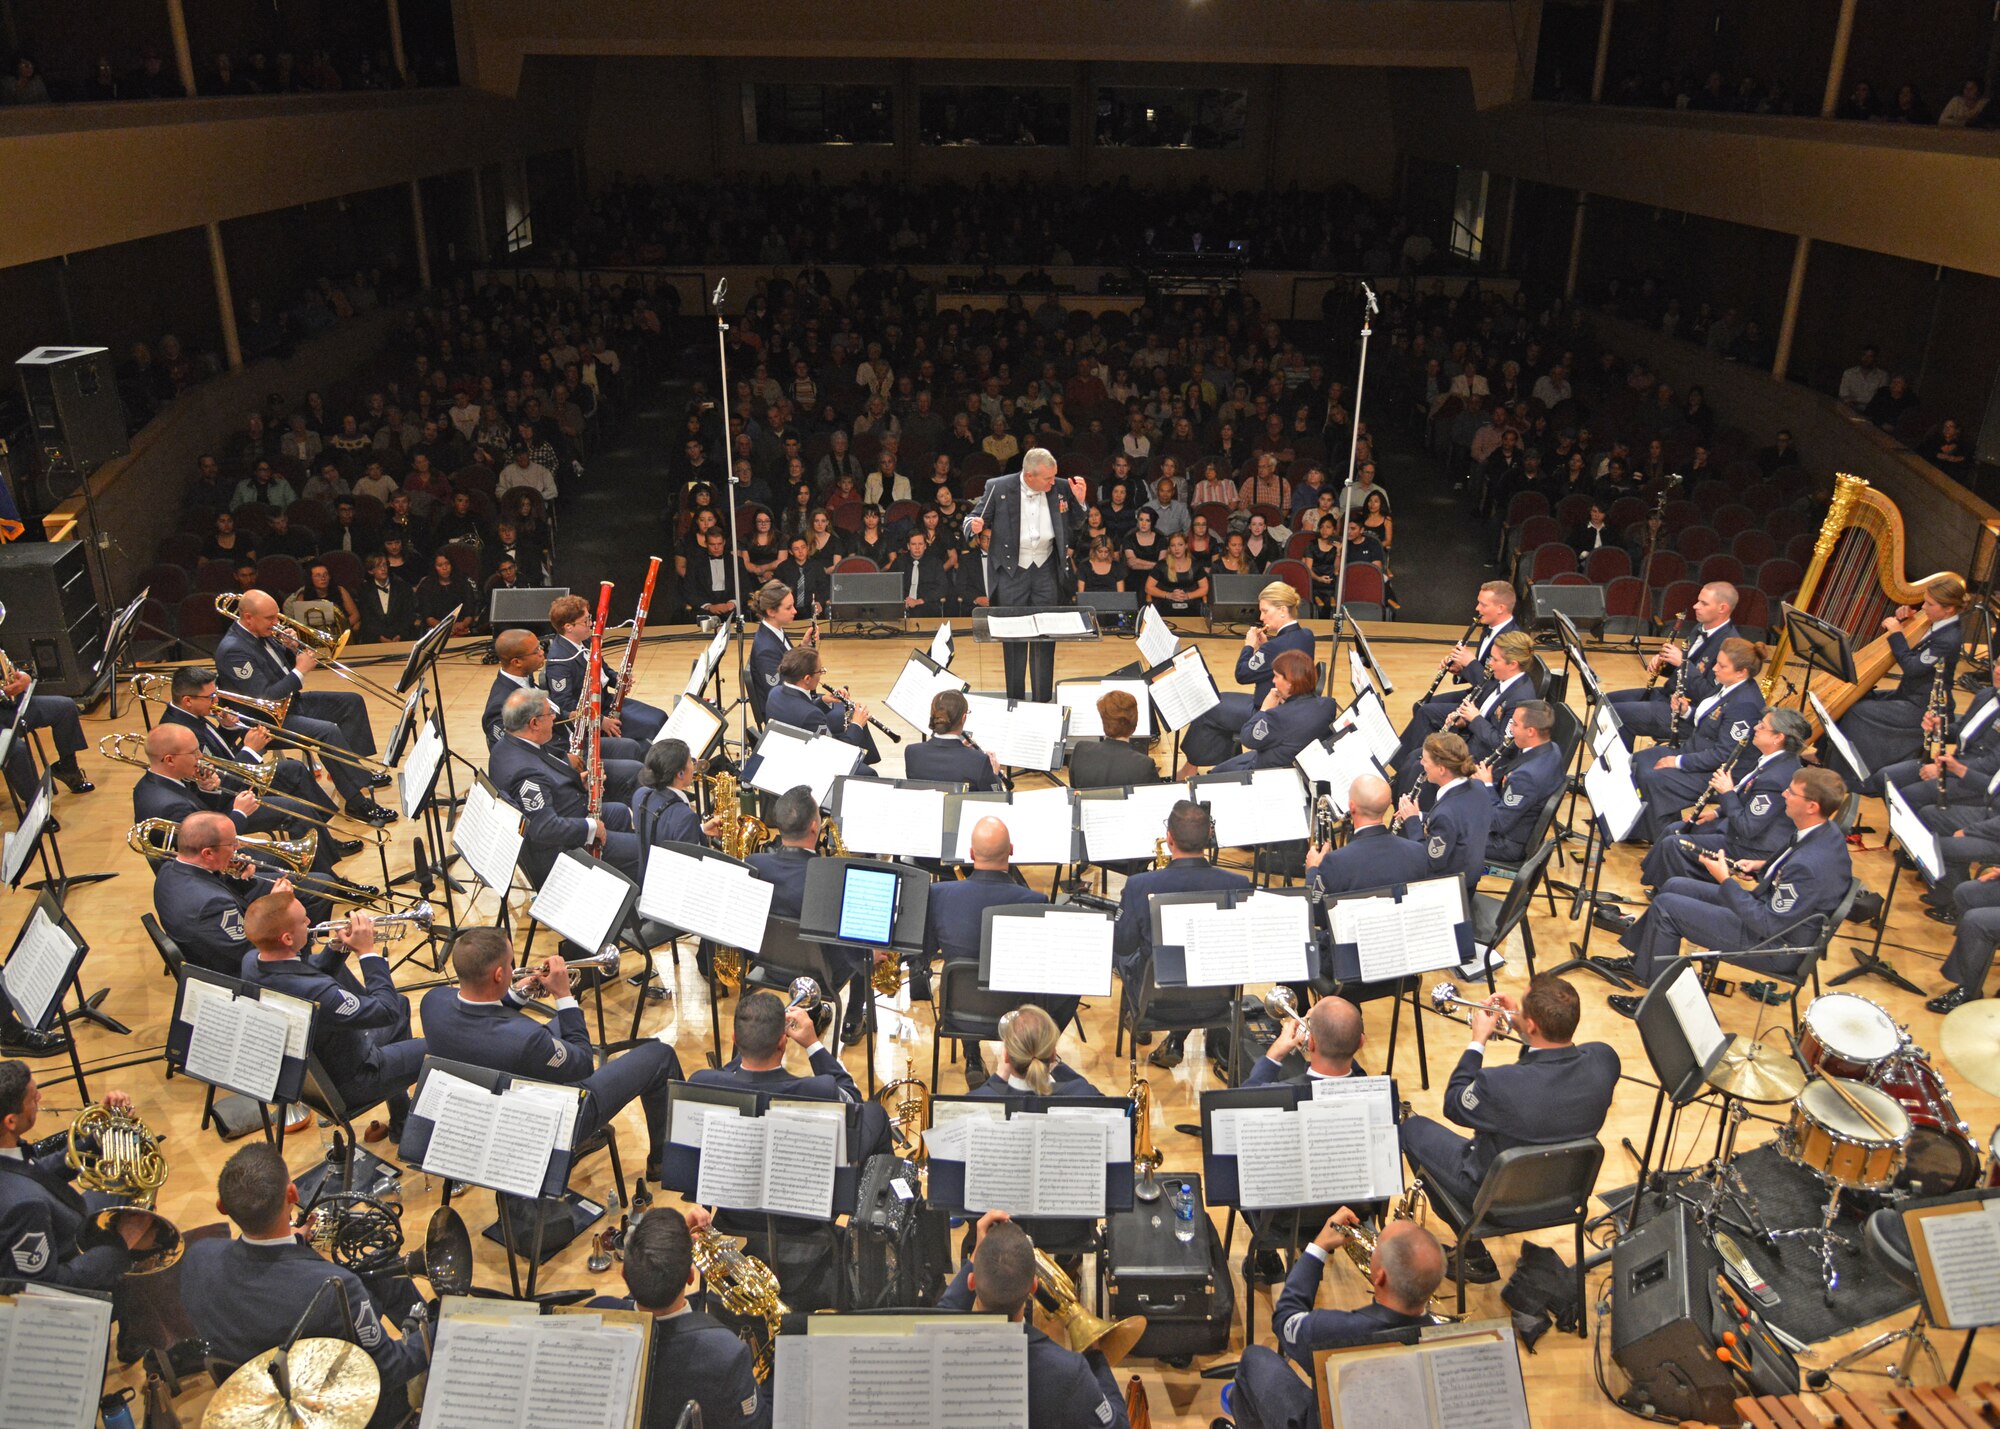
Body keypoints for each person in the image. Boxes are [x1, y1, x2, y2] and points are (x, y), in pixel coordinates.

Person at [180, 1144, 429, 1429]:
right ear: (292, 1195)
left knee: (383, 1273)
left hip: (250, 1390)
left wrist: (294, 1243)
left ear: (222, 1207)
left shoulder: (197, 1256)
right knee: (385, 1268)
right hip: (332, 1408)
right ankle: (431, 1320)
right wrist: (441, 1330)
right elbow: (390, 1368)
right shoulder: (335, 1287)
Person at [1398, 973, 1619, 1281]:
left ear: (1532, 1026)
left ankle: (1472, 1253)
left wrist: (1477, 1041)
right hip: (1563, 1197)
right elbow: (1549, 1075)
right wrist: (1523, 1025)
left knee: (1412, 1130)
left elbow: (1454, 1103)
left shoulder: (1498, 1085)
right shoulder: (1605, 1061)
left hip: (1495, 1200)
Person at [419, 928, 684, 1178]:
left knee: (559, 1027)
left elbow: (485, 1014)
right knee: (660, 1056)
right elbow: (582, 1065)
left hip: (479, 1109)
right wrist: (565, 997)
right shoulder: (527, 1038)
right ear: (499, 974)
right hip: (542, 1123)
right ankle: (664, 1163)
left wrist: (518, 994)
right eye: (511, 965)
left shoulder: (432, 1002)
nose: (515, 970)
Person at [1608, 768, 1853, 1011]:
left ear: (1812, 806)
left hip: (1774, 946)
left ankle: (1659, 1006)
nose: (1784, 794)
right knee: (1674, 885)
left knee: (1666, 908)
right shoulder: (1824, 832)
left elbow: (1768, 924)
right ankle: (1644, 963)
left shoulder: (1808, 865)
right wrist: (1762, 867)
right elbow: (1792, 872)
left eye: (1791, 792)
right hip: (1772, 919)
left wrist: (1725, 881)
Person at [241, 891, 426, 1142]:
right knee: (440, 1047)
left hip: (318, 1071)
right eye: (304, 921)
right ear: (286, 938)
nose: (310, 924)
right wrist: (368, 954)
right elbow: (385, 1009)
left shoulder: (252, 961)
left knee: (402, 1005)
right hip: (353, 1080)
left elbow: (305, 972)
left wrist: (337, 947)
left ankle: (402, 1119)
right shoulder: (317, 992)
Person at [1231, 1207, 1445, 1424]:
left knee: (1254, 1359)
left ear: (1379, 1277)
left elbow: (1285, 1317)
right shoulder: (1448, 1341)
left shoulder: (1335, 1332)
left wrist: (1319, 1246)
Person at [937, 1212, 1128, 1429]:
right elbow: (1119, 1425)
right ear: (1033, 1288)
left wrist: (975, 1260)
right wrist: (1096, 1357)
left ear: (972, 1282)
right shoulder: (1069, 1372)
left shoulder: (941, 1346)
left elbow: (944, 1313)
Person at [215, 590, 391, 825]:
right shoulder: (233, 650)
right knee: (327, 731)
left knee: (351, 702)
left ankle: (352, 771)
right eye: (270, 618)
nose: (276, 623)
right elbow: (267, 697)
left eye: (276, 617)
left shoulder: (261, 631)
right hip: (264, 721)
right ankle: (357, 802)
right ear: (248, 618)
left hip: (290, 705)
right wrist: (300, 670)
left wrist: (290, 648)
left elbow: (281, 668)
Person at [593, 1206, 768, 1428]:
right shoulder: (726, 1352)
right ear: (690, 1276)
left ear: (624, 1275)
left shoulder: (596, 1316)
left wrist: (671, 1243)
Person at [1116, 800, 1250, 1069]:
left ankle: (1137, 1021)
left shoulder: (1139, 885)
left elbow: (1123, 942)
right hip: (1217, 1001)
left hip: (1155, 1005)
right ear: (1209, 837)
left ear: (1169, 839)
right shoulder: (1238, 884)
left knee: (1120, 949)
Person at [925, 816, 1055, 1087]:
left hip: (958, 1013)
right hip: (1014, 1011)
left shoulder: (939, 894)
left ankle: (972, 1056)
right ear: (1011, 851)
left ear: (971, 855)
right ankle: (1031, 1052)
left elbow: (923, 952)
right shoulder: (1035, 902)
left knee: (965, 970)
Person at [0, 1062, 149, 1287]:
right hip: (74, 1253)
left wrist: (102, 1135)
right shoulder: (25, 1207)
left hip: (62, 1219)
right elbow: (45, 1286)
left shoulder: (6, 1150)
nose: (40, 1097)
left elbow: (33, 1170)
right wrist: (120, 1244)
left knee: (127, 1173)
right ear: (10, 1121)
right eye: (32, 1098)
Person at [960, 447, 1088, 701]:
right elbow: (973, 517)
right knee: (1013, 638)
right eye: (1048, 479)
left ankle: (1041, 701)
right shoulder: (998, 487)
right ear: (1029, 475)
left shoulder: (1061, 486)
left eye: (1054, 478)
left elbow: (1075, 523)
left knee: (1045, 637)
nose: (1053, 482)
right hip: (1012, 572)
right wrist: (972, 527)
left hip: (1046, 571)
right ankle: (1014, 702)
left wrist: (1081, 502)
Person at [1633, 708, 1808, 892]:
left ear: (1778, 737)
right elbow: (1746, 799)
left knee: (1675, 843)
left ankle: (1682, 893)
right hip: (1743, 830)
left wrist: (1726, 792)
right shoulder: (1774, 760)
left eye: (1762, 726)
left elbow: (1747, 828)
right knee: (1673, 829)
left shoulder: (1776, 777)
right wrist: (1716, 812)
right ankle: (1663, 885)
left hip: (1753, 847)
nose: (1755, 727)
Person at [1825, 578, 1965, 793]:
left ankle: (1849, 778)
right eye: (1924, 602)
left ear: (1949, 609)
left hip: (1924, 706)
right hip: (1910, 694)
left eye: (1929, 605)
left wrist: (1897, 633)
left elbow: (1912, 667)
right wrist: (1907, 620)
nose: (1923, 608)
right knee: (1857, 698)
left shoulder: (1950, 638)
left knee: (1858, 711)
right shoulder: (1935, 623)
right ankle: (1826, 757)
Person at [489, 687, 642, 883]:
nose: (554, 717)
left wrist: (579, 782)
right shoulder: (525, 774)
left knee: (620, 812)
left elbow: (548, 779)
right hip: (561, 851)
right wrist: (592, 826)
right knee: (641, 850)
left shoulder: (507, 745)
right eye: (549, 713)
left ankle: (618, 879)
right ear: (534, 723)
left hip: (567, 810)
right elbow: (544, 828)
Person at [1628, 638, 1768, 844]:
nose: (1714, 670)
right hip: (1695, 752)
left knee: (1654, 777)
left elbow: (1723, 755)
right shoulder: (1729, 686)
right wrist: (1686, 712)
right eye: (1716, 663)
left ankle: (1662, 839)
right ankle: (1641, 827)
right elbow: (1714, 722)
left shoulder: (1745, 704)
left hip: (1717, 772)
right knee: (1637, 761)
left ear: (1742, 672)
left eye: (1722, 666)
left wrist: (1677, 762)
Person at [1180, 581, 1316, 767]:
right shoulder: (1307, 635)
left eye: (1265, 611)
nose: (1261, 617)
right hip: (1293, 706)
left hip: (1268, 711)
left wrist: (1250, 646)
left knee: (1208, 706)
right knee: (1220, 700)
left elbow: (1242, 674)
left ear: (1283, 610)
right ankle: (1219, 762)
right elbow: (1276, 659)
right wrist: (1265, 647)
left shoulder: (1274, 647)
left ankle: (1191, 768)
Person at [1605, 582, 1742, 750]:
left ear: (1722, 608)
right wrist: (1665, 664)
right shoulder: (1700, 628)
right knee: (1606, 702)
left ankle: (1619, 772)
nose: (1695, 606)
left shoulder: (1730, 645)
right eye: (1698, 601)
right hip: (1668, 695)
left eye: (1704, 603)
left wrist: (1682, 663)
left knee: (1618, 714)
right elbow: (1682, 672)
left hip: (1687, 713)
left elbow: (1711, 696)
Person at [1398, 582, 1520, 760]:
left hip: (1486, 703)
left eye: (1483, 605)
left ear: (1500, 608)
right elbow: (1484, 673)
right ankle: (1423, 756)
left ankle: (1410, 764)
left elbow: (1494, 686)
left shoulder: (1509, 641)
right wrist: (1460, 670)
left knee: (1426, 713)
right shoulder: (1489, 628)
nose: (1477, 608)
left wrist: (1470, 663)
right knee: (1420, 706)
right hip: (1477, 692)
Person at [1396, 629, 1537, 779]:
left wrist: (1474, 719)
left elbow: (1504, 745)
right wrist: (1465, 720)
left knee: (1420, 764)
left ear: (1513, 664)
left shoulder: (1520, 699)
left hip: (1481, 758)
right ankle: (1398, 776)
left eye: (1495, 660)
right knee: (1415, 756)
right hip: (1474, 738)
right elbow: (1487, 706)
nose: (1489, 663)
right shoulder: (1504, 678)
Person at [152, 812, 279, 976]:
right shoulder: (213, 905)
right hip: (238, 974)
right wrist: (275, 907)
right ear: (208, 853)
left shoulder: (168, 868)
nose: (237, 848)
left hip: (212, 945)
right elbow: (253, 953)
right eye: (232, 844)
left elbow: (211, 884)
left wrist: (235, 873)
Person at [546, 593, 668, 746]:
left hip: (607, 701)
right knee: (652, 726)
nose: (591, 624)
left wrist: (617, 679)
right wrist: (601, 721)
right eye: (586, 621)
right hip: (594, 717)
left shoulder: (587, 641)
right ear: (568, 627)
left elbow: (604, 670)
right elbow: (565, 704)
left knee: (660, 717)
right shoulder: (559, 661)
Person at [1202, 648, 1337, 774]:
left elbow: (1248, 739)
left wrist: (1264, 709)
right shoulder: (1328, 705)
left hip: (1264, 771)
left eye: (1276, 676)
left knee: (1212, 775)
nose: (1273, 681)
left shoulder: (1278, 716)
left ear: (1290, 682)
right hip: (1298, 765)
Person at [1394, 733, 1493, 891]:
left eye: (1425, 760)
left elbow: (1429, 861)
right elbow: (1458, 824)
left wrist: (1412, 822)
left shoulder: (1446, 814)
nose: (1421, 763)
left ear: (1441, 769)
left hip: (1449, 890)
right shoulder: (1478, 787)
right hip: (1468, 877)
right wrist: (1419, 815)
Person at [1477, 700, 1567, 862]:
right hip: (1517, 823)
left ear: (1531, 731)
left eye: (1515, 725)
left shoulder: (1526, 777)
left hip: (1506, 844)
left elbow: (1498, 823)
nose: (1510, 729)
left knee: (1447, 832)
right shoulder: (1552, 748)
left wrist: (1487, 785)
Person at [766, 646, 879, 767]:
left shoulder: (775, 692)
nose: (821, 675)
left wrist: (823, 701)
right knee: (871, 774)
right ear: (807, 678)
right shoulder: (812, 715)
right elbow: (837, 754)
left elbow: (798, 713)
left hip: (786, 752)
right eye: (820, 671)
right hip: (806, 765)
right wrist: (857, 724)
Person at [974, 1005, 1101, 1099]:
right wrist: (1059, 1068)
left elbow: (974, 1098)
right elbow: (1102, 1102)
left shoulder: (982, 1099)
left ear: (1006, 1055)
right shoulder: (1081, 1092)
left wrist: (999, 1076)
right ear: (1053, 1055)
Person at [632, 738, 724, 849]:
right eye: (690, 760)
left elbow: (662, 831)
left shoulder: (640, 795)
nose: (694, 763)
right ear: (680, 774)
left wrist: (699, 829)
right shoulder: (685, 817)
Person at [904, 689, 1005, 791]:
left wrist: (960, 751)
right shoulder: (980, 761)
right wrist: (994, 775)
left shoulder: (912, 752)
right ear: (963, 718)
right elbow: (997, 797)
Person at [748, 581, 816, 725]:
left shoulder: (775, 630)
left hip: (792, 702)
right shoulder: (766, 649)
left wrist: (804, 646)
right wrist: (819, 700)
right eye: (788, 608)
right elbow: (780, 694)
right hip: (786, 715)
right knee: (850, 719)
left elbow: (788, 664)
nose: (795, 611)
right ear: (771, 612)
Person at [1066, 689, 1159, 789]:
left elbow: (1075, 791)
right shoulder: (1144, 765)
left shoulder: (1081, 750)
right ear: (1135, 722)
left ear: (1103, 720)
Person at [355, 554, 418, 643]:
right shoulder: (365, 591)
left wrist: (400, 635)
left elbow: (408, 614)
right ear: (371, 571)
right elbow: (366, 619)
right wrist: (379, 637)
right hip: (374, 640)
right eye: (378, 566)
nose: (383, 569)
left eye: (384, 565)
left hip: (402, 637)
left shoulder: (403, 588)